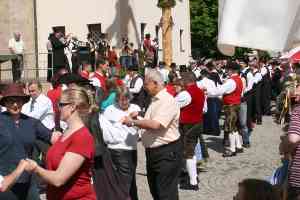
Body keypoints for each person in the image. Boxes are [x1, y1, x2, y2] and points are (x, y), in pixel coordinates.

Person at [25, 87, 96, 200]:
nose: (58, 108)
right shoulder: (66, 132)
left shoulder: (82, 137)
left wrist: (35, 168)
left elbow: (58, 179)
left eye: (61, 104)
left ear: (72, 107)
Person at [123, 68, 183, 200]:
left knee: (165, 193)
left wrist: (133, 122)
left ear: (155, 83)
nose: (145, 87)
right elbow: (152, 117)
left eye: (146, 84)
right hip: (155, 153)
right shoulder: (155, 99)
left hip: (166, 152)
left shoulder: (167, 100)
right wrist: (139, 116)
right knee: (156, 190)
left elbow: (156, 124)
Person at [0, 83, 60, 200]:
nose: (15, 104)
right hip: (5, 181)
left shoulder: (31, 122)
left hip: (28, 180)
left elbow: (52, 137)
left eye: (19, 100)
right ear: (5, 103)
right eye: (11, 101)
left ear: (23, 102)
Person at [102, 86, 141, 200]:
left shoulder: (135, 108)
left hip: (132, 148)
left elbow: (143, 125)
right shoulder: (110, 110)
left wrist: (136, 118)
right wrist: (123, 120)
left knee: (131, 179)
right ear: (117, 99)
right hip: (117, 149)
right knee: (124, 183)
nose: (124, 102)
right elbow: (106, 130)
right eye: (121, 99)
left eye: (126, 99)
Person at [174, 72, 205, 191]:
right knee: (191, 152)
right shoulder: (200, 91)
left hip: (188, 126)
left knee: (188, 153)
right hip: (197, 123)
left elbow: (172, 105)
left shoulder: (187, 94)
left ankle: (192, 182)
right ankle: (193, 176)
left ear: (187, 80)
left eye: (183, 79)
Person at [214, 61, 244, 157]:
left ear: (231, 70)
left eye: (227, 69)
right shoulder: (238, 79)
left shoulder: (231, 81)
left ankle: (232, 149)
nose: (226, 71)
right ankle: (238, 146)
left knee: (230, 127)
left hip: (231, 106)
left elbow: (220, 91)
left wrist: (211, 91)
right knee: (234, 127)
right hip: (236, 104)